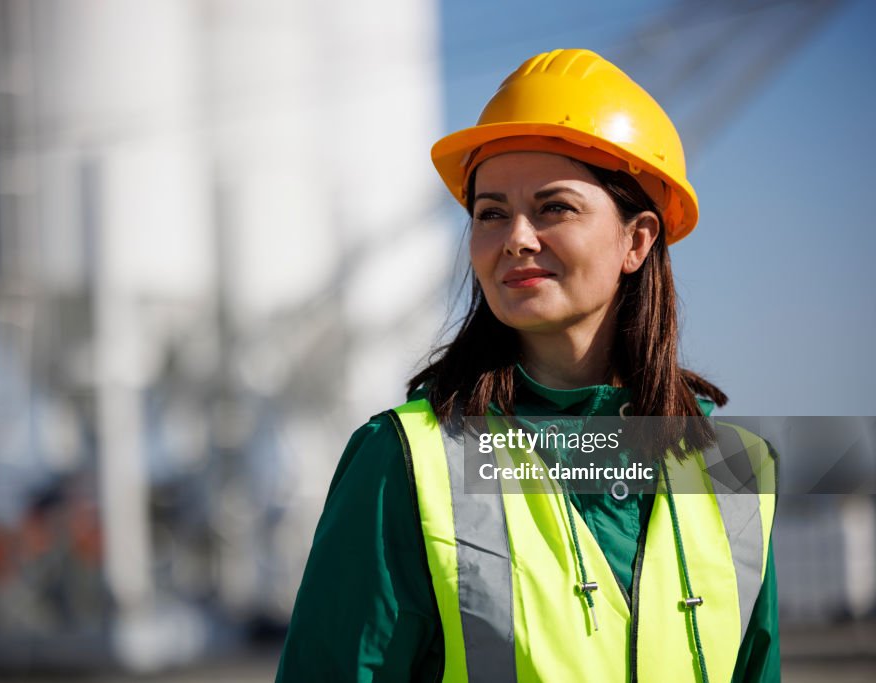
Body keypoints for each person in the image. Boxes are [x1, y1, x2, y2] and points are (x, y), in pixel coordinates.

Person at [276, 48, 779, 682]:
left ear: (637, 239)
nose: (515, 237)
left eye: (554, 207)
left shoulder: (732, 473)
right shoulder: (404, 461)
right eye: (490, 213)